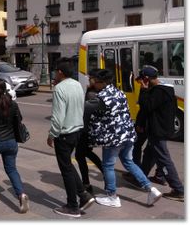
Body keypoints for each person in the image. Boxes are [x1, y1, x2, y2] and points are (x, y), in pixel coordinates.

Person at [87, 69, 162, 208]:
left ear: (101, 82)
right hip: (128, 134)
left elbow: (90, 114)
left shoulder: (102, 96)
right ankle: (151, 189)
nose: (92, 84)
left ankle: (112, 196)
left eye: (93, 81)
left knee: (108, 165)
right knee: (129, 162)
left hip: (114, 138)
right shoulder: (119, 92)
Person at [47, 57, 94, 218]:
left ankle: (73, 205)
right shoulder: (77, 85)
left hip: (64, 134)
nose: (54, 75)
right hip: (77, 131)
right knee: (68, 165)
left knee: (65, 169)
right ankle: (83, 195)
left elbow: (58, 117)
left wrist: (51, 135)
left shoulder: (59, 89)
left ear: (60, 72)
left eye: (55, 72)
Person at [136, 66, 184, 202]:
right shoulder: (167, 90)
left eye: (142, 80)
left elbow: (146, 106)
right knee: (150, 153)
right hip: (161, 128)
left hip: (158, 130)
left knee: (163, 158)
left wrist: (143, 89)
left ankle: (178, 189)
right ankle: (142, 176)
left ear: (146, 78)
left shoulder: (157, 92)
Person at [0, 78, 29, 213]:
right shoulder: (12, 104)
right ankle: (20, 194)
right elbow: (19, 119)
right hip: (11, 142)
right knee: (12, 169)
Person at [75, 68, 103, 194]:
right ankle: (103, 172)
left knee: (80, 155)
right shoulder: (94, 91)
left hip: (86, 129)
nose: (88, 79)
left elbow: (85, 110)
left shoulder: (93, 94)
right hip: (89, 129)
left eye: (90, 77)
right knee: (85, 153)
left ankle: (86, 183)